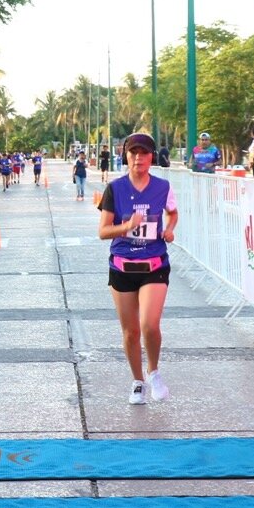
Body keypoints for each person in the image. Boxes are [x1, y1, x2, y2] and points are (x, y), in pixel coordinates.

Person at [98, 133, 179, 406]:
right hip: (122, 266)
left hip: (154, 264)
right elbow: (103, 231)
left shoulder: (163, 187)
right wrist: (127, 226)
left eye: (144, 153)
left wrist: (169, 229)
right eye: (133, 153)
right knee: (131, 331)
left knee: (149, 324)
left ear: (151, 157)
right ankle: (138, 382)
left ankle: (153, 372)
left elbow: (173, 212)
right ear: (126, 156)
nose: (138, 158)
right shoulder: (115, 189)